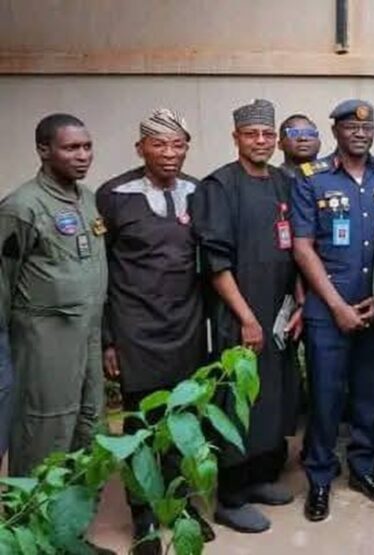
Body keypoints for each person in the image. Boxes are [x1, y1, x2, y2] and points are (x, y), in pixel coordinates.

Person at [97, 109, 213, 552]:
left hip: (186, 325)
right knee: (140, 428)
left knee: (182, 423)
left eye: (178, 144)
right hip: (135, 330)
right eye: (159, 144)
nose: (169, 153)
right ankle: (143, 517)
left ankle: (181, 507)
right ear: (140, 148)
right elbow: (99, 271)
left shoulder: (199, 192)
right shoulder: (114, 196)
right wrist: (108, 339)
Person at [291, 99, 374, 522]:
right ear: (336, 132)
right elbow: (303, 247)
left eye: (367, 127)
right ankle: (320, 477)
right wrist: (337, 306)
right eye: (351, 127)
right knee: (325, 396)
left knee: (369, 395)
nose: (360, 133)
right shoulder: (312, 178)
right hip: (328, 310)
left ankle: (363, 468)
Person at [191, 99, 303, 534]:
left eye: (267, 134)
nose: (261, 141)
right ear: (235, 138)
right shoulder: (219, 186)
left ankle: (258, 478)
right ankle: (231, 496)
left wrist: (299, 302)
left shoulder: (283, 182)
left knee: (271, 397)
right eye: (252, 134)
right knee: (237, 402)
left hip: (279, 311)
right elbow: (215, 262)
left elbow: (297, 247)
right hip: (239, 314)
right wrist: (247, 318)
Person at [0, 114, 107, 477]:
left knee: (89, 425)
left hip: (88, 335)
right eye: (71, 148)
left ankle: (77, 512)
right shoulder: (22, 207)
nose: (83, 156)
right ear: (44, 150)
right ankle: (35, 512)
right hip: (44, 339)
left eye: (87, 147)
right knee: (45, 430)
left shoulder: (88, 200)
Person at [278, 114, 322, 179]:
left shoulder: (333, 178)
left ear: (319, 143)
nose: (303, 138)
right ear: (280, 144)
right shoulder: (271, 180)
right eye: (294, 133)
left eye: (310, 133)